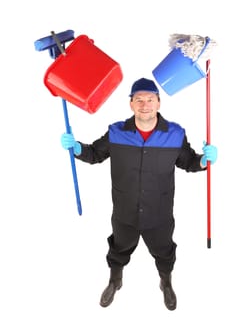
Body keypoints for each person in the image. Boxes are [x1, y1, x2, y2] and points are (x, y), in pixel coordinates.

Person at [61, 77, 217, 311]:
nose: (145, 104)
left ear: (159, 103)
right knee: (118, 248)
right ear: (131, 104)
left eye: (150, 99)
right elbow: (94, 154)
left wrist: (204, 160)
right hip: (124, 212)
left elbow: (188, 162)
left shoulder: (175, 134)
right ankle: (115, 280)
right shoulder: (116, 132)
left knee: (164, 251)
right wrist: (77, 148)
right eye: (139, 100)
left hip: (160, 213)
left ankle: (166, 282)